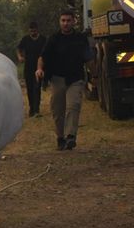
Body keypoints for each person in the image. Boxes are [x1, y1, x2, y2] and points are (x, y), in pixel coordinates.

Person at [35, 10, 94, 151]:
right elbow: (42, 57)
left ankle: (70, 136)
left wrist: (95, 76)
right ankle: (60, 137)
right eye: (63, 20)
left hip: (75, 78)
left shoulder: (80, 39)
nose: (66, 23)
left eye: (68, 20)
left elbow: (89, 59)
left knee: (73, 106)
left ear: (74, 21)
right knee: (58, 110)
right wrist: (39, 69)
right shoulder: (54, 39)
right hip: (57, 79)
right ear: (60, 22)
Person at [17, 21, 47, 117]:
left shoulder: (43, 39)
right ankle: (31, 109)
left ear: (37, 30)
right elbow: (18, 48)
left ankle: (36, 110)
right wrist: (20, 57)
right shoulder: (25, 39)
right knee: (29, 88)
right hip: (28, 67)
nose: (32, 33)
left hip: (39, 67)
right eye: (31, 31)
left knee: (37, 88)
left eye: (34, 31)